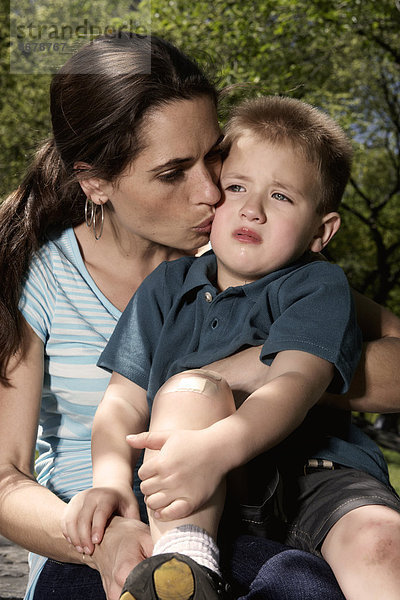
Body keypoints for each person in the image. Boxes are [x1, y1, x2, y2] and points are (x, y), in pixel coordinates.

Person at [0, 32, 399, 600]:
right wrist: (99, 536)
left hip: (255, 512)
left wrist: (243, 372)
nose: (214, 192)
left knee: (304, 581)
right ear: (95, 182)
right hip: (104, 539)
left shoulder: (255, 257)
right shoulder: (37, 277)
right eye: (172, 172)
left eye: (215, 157)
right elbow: (4, 480)